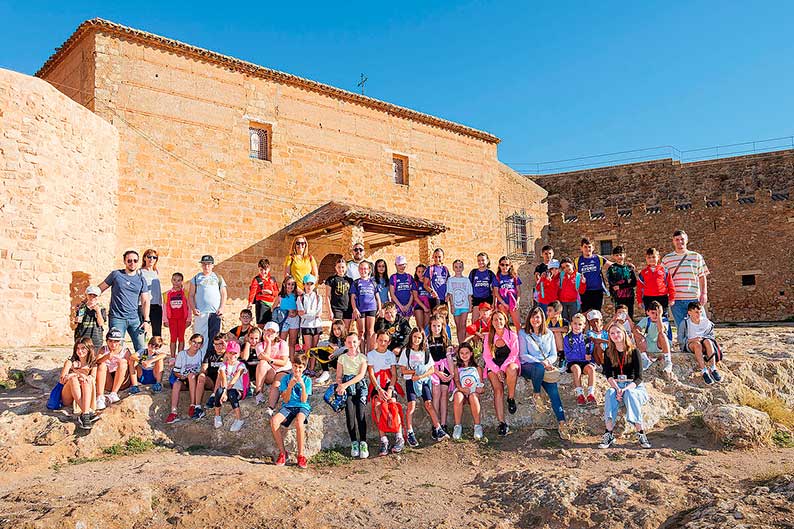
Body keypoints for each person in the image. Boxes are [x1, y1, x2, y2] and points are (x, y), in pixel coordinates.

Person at [598, 323, 652, 449]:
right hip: (617, 385)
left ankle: (641, 433)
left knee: (630, 394)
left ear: (624, 333)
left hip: (633, 386)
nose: (615, 335)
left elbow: (639, 378)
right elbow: (608, 375)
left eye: (618, 332)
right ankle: (609, 433)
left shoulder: (634, 351)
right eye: (612, 333)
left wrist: (625, 389)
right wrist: (617, 389)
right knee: (610, 393)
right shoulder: (608, 352)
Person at [518, 307, 568, 439]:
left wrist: (547, 362)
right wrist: (540, 363)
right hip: (529, 366)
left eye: (538, 317)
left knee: (554, 393)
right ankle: (536, 394)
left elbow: (553, 354)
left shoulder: (549, 334)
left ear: (542, 319)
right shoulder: (523, 333)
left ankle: (562, 424)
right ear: (529, 318)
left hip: (545, 367)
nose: (535, 320)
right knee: (538, 368)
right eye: (533, 317)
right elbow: (523, 355)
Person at [399, 328, 448, 446]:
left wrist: (420, 375)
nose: (416, 340)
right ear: (411, 337)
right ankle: (410, 432)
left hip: (424, 380)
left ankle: (438, 428)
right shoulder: (406, 351)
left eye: (419, 338)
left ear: (422, 339)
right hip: (411, 381)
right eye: (415, 337)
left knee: (429, 404)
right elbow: (403, 370)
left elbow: (431, 369)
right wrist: (414, 374)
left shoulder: (425, 351)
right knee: (412, 405)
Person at [97, 250, 150, 354]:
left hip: (135, 319)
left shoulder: (141, 280)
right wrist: (86, 299)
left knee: (142, 349)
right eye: (129, 260)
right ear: (124, 261)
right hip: (117, 318)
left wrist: (146, 320)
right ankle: (116, 369)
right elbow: (100, 288)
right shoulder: (116, 275)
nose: (132, 263)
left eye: (135, 260)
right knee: (116, 348)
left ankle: (141, 369)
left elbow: (145, 301)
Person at [662, 230, 710, 341]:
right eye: (677, 240)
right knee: (681, 327)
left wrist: (704, 294)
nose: (680, 242)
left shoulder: (696, 257)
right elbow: (663, 279)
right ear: (673, 242)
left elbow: (702, 276)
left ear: (686, 240)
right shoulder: (666, 259)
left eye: (682, 239)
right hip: (676, 300)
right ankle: (685, 350)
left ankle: (703, 349)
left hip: (693, 298)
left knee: (701, 325)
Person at [271, 354, 312, 469]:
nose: (297, 370)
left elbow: (304, 400)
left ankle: (301, 455)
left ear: (304, 367)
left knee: (299, 422)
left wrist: (303, 386)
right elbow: (285, 399)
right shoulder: (285, 379)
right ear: (292, 365)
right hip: (288, 406)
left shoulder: (307, 380)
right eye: (295, 366)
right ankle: (283, 453)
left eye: (300, 367)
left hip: (302, 407)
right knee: (274, 421)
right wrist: (289, 387)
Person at [482, 310, 520, 436]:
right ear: (492, 323)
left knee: (512, 369)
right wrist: (497, 370)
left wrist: (503, 369)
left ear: (505, 321)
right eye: (495, 320)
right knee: (498, 390)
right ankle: (502, 423)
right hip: (493, 366)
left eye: (500, 319)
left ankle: (510, 397)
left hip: (509, 363)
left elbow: (514, 355)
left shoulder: (512, 335)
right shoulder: (488, 337)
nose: (498, 322)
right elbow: (487, 357)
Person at [367, 331, 405, 455]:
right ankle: (383, 439)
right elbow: (371, 374)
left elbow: (394, 374)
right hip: (377, 384)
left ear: (389, 342)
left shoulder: (390, 355)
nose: (382, 343)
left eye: (385, 341)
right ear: (376, 340)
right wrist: (378, 388)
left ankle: (399, 437)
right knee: (377, 406)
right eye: (380, 340)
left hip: (388, 383)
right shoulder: (371, 354)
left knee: (393, 405)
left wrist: (390, 388)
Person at [335, 333, 369, 459]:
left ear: (358, 342)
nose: (352, 344)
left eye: (354, 342)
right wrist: (340, 385)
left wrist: (345, 384)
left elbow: (360, 375)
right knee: (350, 416)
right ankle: (354, 442)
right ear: (345, 343)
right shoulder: (342, 358)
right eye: (349, 342)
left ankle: (363, 442)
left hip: (359, 387)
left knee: (361, 415)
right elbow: (339, 376)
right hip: (346, 388)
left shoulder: (362, 358)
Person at [187, 255, 227, 356]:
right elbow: (191, 295)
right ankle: (200, 359)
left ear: (212, 265)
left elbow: (224, 294)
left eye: (208, 264)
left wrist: (222, 308)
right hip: (201, 313)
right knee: (200, 338)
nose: (206, 266)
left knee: (215, 337)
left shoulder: (218, 278)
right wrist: (193, 309)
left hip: (215, 313)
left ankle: (212, 359)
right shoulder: (196, 278)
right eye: (204, 264)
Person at [678, 301, 723, 385]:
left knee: (708, 341)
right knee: (697, 344)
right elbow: (680, 340)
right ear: (689, 312)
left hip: (704, 343)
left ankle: (713, 368)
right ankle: (704, 371)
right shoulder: (684, 323)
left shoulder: (706, 322)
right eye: (696, 312)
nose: (698, 314)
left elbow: (711, 336)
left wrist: (703, 338)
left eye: (700, 312)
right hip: (691, 344)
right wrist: (693, 339)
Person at [636, 247, 675, 339]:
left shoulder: (664, 271)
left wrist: (672, 298)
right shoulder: (643, 272)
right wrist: (639, 301)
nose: (651, 259)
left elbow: (670, 285)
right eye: (649, 257)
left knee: (663, 318)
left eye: (653, 257)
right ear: (646, 259)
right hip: (648, 298)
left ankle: (667, 339)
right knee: (650, 318)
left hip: (662, 297)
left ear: (658, 258)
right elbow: (639, 288)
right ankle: (651, 338)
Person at [165, 333, 204, 424]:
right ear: (190, 342)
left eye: (199, 343)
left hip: (193, 378)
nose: (196, 344)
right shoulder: (182, 354)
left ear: (201, 345)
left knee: (191, 375)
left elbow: (199, 369)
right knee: (176, 384)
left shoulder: (200, 353)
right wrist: (182, 376)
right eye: (194, 342)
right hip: (182, 377)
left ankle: (193, 404)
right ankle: (173, 412)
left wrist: (194, 373)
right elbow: (176, 371)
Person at [60, 338, 98, 430]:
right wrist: (76, 374)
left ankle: (84, 414)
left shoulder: (92, 363)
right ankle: (88, 412)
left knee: (86, 381)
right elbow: (62, 379)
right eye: (77, 348)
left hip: (84, 393)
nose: (80, 351)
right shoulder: (70, 362)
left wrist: (83, 377)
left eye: (83, 348)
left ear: (89, 349)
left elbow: (93, 377)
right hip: (68, 395)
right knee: (73, 379)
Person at [255, 322, 292, 414]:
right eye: (268, 330)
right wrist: (268, 343)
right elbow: (262, 358)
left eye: (273, 332)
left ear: (277, 334)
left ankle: (270, 407)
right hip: (270, 371)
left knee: (276, 384)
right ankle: (259, 392)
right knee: (262, 363)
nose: (270, 333)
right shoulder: (259, 345)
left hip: (282, 369)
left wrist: (270, 360)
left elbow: (283, 362)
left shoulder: (282, 343)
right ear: (264, 331)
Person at [451, 342, 485, 440]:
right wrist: (461, 389)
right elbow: (456, 380)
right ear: (459, 354)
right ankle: (457, 426)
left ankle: (477, 426)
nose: (464, 355)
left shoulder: (477, 368)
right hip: (462, 390)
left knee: (473, 396)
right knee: (458, 396)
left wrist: (480, 389)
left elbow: (481, 383)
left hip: (473, 392)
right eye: (462, 353)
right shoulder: (457, 367)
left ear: (471, 353)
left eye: (467, 353)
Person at [427, 314, 454, 436]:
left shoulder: (446, 340)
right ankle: (435, 424)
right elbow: (427, 360)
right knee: (436, 395)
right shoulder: (427, 340)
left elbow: (448, 357)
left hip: (445, 368)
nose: (436, 328)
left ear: (442, 326)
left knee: (444, 395)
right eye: (434, 326)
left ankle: (443, 424)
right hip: (433, 370)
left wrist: (452, 373)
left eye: (439, 326)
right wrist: (436, 372)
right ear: (430, 326)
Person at [94, 327, 132, 410]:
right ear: (107, 341)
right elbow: (96, 362)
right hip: (108, 382)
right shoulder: (103, 350)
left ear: (120, 341)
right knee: (102, 365)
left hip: (122, 382)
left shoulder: (125, 351)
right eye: (110, 341)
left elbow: (132, 367)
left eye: (116, 341)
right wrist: (106, 357)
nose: (113, 344)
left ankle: (114, 393)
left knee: (123, 362)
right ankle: (100, 397)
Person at [212, 341, 246, 432]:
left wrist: (225, 392)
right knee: (218, 391)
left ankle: (239, 419)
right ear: (226, 353)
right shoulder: (223, 365)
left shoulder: (241, 366)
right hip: (226, 390)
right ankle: (217, 416)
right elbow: (223, 378)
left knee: (231, 393)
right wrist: (223, 392)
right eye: (230, 353)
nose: (232, 356)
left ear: (238, 354)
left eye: (235, 353)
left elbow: (234, 379)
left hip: (238, 391)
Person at [564, 314, 597, 406]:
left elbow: (590, 352)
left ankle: (591, 394)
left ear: (584, 326)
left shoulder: (587, 339)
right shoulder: (568, 338)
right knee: (576, 369)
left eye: (580, 324)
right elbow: (568, 354)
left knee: (591, 369)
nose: (577, 326)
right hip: (573, 362)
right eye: (575, 323)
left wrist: (589, 356)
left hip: (585, 362)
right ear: (571, 324)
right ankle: (580, 394)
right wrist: (581, 356)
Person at [634, 301, 673, 376]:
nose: (655, 315)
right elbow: (635, 329)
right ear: (647, 312)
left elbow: (661, 330)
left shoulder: (664, 320)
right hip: (649, 344)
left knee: (661, 334)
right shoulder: (646, 320)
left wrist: (659, 317)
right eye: (653, 313)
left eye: (657, 313)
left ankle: (668, 361)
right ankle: (644, 359)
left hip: (661, 344)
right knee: (636, 335)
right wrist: (640, 335)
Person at [194, 333, 227, 420]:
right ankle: (197, 407)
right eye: (216, 344)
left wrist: (227, 348)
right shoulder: (210, 353)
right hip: (212, 381)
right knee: (201, 377)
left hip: (223, 382)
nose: (218, 347)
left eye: (221, 344)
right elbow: (204, 368)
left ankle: (213, 396)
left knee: (221, 371)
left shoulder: (228, 354)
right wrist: (202, 373)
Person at [297, 274, 324, 379]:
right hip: (306, 325)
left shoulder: (318, 297)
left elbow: (319, 313)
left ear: (314, 285)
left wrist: (308, 314)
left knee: (314, 348)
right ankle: (305, 367)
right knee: (307, 347)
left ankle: (312, 369)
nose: (309, 286)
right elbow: (301, 313)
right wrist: (311, 315)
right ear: (304, 285)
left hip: (316, 325)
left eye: (311, 284)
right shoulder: (300, 298)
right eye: (307, 284)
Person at [576, 238, 612, 313]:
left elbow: (612, 265)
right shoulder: (577, 261)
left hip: (597, 291)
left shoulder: (598, 258)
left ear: (593, 248)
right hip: (584, 292)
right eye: (585, 247)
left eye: (589, 247)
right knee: (585, 314)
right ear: (581, 248)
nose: (587, 249)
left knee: (596, 313)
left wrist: (626, 265)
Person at [351, 261, 381, 352]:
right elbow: (352, 297)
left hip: (372, 308)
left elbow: (377, 296)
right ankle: (362, 354)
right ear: (358, 270)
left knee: (370, 332)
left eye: (365, 268)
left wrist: (379, 308)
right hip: (360, 309)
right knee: (361, 332)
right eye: (361, 268)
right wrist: (355, 309)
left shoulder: (373, 282)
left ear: (369, 270)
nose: (363, 270)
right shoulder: (356, 282)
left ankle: (370, 353)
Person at [446, 259, 473, 345]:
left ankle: (464, 344)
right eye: (456, 267)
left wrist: (470, 306)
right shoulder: (450, 280)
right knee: (458, 326)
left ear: (463, 268)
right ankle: (460, 343)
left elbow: (469, 294)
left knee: (463, 324)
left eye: (460, 267)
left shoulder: (466, 280)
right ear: (453, 268)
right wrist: (452, 306)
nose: (458, 269)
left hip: (464, 306)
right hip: (456, 306)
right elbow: (450, 294)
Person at [164, 272, 190, 356]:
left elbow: (189, 307)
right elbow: (164, 308)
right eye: (174, 280)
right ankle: (172, 356)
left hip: (182, 319)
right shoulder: (167, 294)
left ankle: (180, 356)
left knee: (181, 338)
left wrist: (189, 319)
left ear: (182, 281)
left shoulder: (186, 293)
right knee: (173, 338)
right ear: (171, 280)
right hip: (172, 319)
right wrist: (165, 319)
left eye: (179, 280)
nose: (176, 282)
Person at [247, 258, 279, 328]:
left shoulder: (272, 279)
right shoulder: (257, 279)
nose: (263, 272)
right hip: (262, 304)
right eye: (261, 270)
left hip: (272, 305)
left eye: (265, 269)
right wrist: (250, 303)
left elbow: (277, 293)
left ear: (269, 268)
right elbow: (253, 292)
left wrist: (271, 292)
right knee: (261, 325)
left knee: (271, 325)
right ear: (258, 269)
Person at [606, 246, 637, 318]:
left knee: (629, 316)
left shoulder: (629, 268)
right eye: (617, 255)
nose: (619, 257)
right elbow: (612, 284)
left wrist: (621, 286)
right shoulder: (612, 269)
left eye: (621, 255)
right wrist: (627, 282)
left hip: (629, 296)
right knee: (619, 317)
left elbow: (634, 283)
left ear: (624, 255)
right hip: (618, 297)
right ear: (613, 256)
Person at [493, 256, 522, 330]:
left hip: (513, 302)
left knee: (517, 324)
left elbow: (518, 291)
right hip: (502, 304)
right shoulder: (497, 278)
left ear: (510, 266)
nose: (504, 267)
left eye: (507, 265)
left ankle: (521, 340)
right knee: (504, 325)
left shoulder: (514, 276)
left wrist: (517, 302)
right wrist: (504, 304)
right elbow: (496, 293)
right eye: (502, 265)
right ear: (499, 265)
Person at [74, 285, 107, 349]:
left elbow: (101, 323)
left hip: (96, 339)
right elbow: (77, 324)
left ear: (98, 296)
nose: (92, 297)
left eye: (94, 295)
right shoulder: (82, 308)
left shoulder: (101, 308)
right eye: (90, 295)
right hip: (82, 338)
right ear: (86, 295)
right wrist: (76, 320)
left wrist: (98, 311)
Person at [325, 257, 354, 331]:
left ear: (346, 267)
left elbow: (351, 296)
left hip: (347, 308)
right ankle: (334, 343)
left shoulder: (349, 280)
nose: (341, 269)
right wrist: (329, 311)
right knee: (337, 329)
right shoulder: (331, 280)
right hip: (336, 308)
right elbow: (327, 296)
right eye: (339, 267)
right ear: (335, 268)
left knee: (346, 330)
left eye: (343, 267)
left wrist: (353, 309)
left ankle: (344, 343)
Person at [273, 275, 300, 355]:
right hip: (284, 321)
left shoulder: (297, 297)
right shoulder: (280, 296)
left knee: (292, 342)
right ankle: (281, 359)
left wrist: (295, 312)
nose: (290, 286)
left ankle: (291, 361)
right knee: (281, 341)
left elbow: (301, 308)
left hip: (294, 320)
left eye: (292, 284)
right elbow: (273, 308)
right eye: (288, 284)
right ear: (284, 284)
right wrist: (283, 311)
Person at [140, 249, 163, 337]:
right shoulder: (140, 272)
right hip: (144, 305)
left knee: (157, 331)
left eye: (154, 257)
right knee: (143, 330)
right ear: (144, 258)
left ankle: (155, 349)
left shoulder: (156, 272)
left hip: (156, 305)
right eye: (149, 257)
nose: (151, 259)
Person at [469, 252, 496, 323]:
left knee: (487, 322)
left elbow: (494, 290)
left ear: (487, 261)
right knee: (475, 321)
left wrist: (494, 303)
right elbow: (469, 289)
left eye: (483, 260)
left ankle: (487, 334)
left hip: (487, 300)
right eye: (479, 260)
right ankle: (476, 334)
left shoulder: (490, 274)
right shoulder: (473, 272)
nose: (481, 262)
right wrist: (470, 303)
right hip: (476, 300)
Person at [545, 301, 569, 368]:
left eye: (550, 311)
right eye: (547, 310)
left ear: (557, 313)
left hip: (561, 345)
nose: (547, 313)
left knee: (557, 333)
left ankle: (562, 356)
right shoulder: (546, 322)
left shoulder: (563, 321)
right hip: (550, 345)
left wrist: (550, 329)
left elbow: (565, 329)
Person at [412, 264, 432, 331]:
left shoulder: (429, 283)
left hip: (428, 305)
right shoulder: (415, 283)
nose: (421, 274)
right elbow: (415, 297)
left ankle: (426, 341)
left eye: (423, 271)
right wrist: (424, 307)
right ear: (416, 273)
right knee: (420, 328)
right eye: (419, 272)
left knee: (427, 327)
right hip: (419, 305)